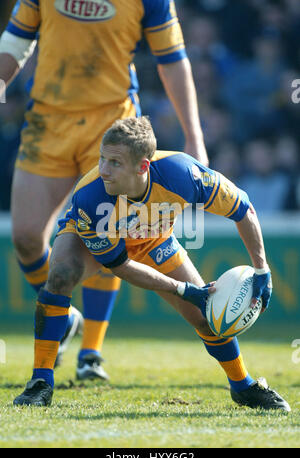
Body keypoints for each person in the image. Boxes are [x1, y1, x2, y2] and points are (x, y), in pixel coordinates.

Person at [13, 116, 290, 412]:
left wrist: (262, 269)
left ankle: (243, 386)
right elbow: (119, 265)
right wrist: (183, 289)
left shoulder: (182, 174)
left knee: (206, 315)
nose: (103, 170)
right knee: (61, 275)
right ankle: (41, 381)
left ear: (143, 166)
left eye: (115, 163)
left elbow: (243, 208)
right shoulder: (91, 197)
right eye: (102, 159)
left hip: (153, 239)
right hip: (98, 238)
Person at [0, 0, 209, 380]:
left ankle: (91, 352)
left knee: (106, 232)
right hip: (48, 121)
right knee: (27, 237)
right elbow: (16, 41)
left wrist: (194, 136)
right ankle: (65, 321)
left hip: (113, 127)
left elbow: (172, 58)